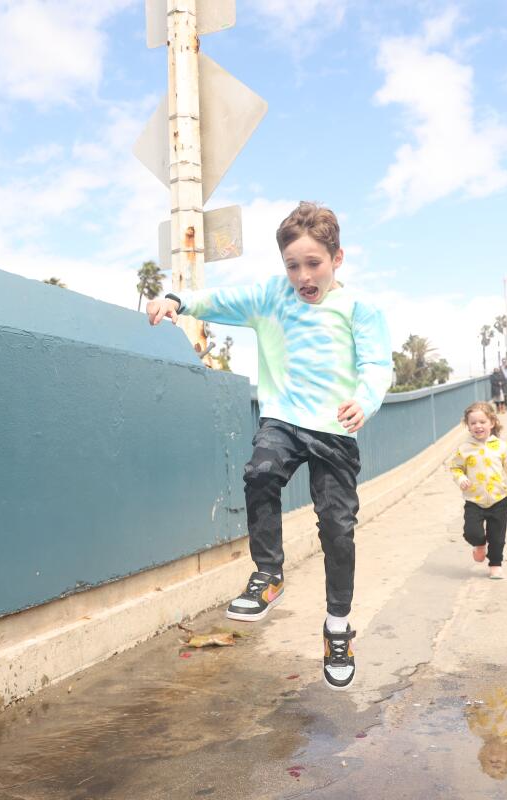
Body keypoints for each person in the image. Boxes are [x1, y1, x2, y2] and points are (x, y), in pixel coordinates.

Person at [146, 202, 392, 690]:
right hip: (283, 417)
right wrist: (177, 299)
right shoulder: (269, 298)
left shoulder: (360, 308)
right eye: (293, 266)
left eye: (313, 264)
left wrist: (366, 400)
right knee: (260, 471)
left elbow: (377, 365)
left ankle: (337, 628)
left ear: (337, 258)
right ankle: (268, 575)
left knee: (337, 529)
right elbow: (219, 299)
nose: (303, 275)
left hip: (336, 430)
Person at [446, 402, 507, 580]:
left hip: (499, 499)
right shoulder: (464, 449)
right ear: (468, 426)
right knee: (472, 532)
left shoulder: (501, 446)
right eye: (473, 423)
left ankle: (495, 565)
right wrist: (461, 478)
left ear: (492, 422)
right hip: (474, 500)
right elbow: (455, 468)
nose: (478, 426)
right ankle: (479, 544)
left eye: (482, 422)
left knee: (497, 537)